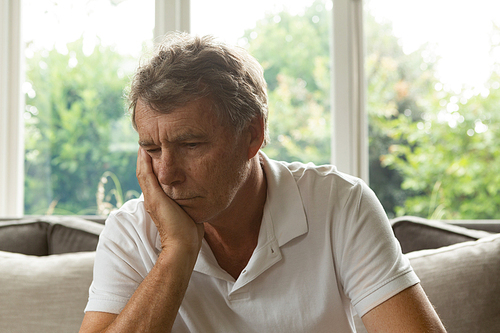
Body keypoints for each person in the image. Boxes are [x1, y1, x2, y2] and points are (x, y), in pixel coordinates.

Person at [79, 32, 446, 333]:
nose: (166, 174)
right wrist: (176, 251)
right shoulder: (129, 231)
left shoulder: (339, 203)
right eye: (152, 149)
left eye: (190, 145)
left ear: (252, 134)